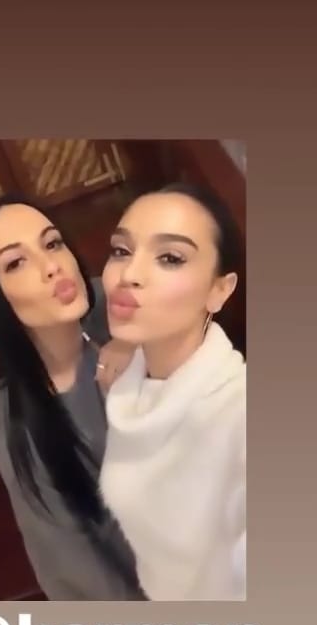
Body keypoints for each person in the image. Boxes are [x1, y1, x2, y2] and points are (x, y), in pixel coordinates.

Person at [0, 194, 144, 601]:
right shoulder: (17, 424)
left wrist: (138, 344)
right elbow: (78, 577)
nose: (51, 266)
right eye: (15, 263)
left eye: (52, 243)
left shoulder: (115, 306)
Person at [100, 183, 246, 601]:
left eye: (170, 258)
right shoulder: (129, 394)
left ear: (219, 290)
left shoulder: (238, 413)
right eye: (121, 251)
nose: (129, 274)